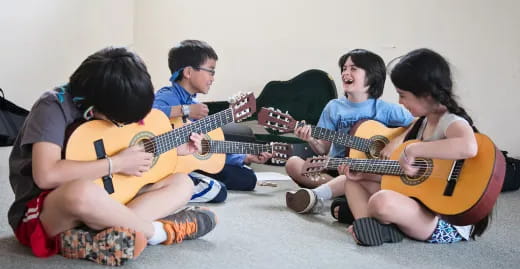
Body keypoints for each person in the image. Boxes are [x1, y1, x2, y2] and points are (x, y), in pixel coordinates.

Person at [8, 47, 217, 267]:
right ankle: (159, 232)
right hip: (46, 212)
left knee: (182, 183)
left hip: (107, 198)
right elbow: (46, 175)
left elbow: (121, 144)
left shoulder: (117, 99)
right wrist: (116, 163)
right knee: (81, 192)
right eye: (120, 121)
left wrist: (173, 149)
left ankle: (99, 236)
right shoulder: (52, 106)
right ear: (95, 107)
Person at [337, 48, 488, 246]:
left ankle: (378, 224)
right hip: (416, 204)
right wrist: (365, 175)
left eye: (403, 95)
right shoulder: (422, 123)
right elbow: (405, 178)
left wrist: (414, 149)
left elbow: (469, 146)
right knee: (352, 182)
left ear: (426, 94)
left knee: (381, 202)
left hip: (443, 221)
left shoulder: (450, 120)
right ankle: (370, 226)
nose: (400, 102)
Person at [285, 49, 414, 219]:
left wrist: (395, 142)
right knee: (293, 163)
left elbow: (419, 122)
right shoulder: (334, 107)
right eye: (344, 68)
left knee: (357, 174)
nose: (346, 72)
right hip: (335, 166)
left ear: (372, 76)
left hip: (370, 171)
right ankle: (339, 190)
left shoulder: (386, 109)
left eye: (353, 69)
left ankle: (320, 194)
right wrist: (310, 138)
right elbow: (323, 150)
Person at [153, 39, 272, 202]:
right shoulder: (168, 95)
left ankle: (197, 179)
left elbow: (209, 147)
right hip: (166, 167)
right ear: (188, 72)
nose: (213, 78)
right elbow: (147, 115)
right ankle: (177, 190)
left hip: (191, 163)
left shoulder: (198, 106)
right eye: (211, 71)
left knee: (248, 178)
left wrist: (246, 158)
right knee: (219, 190)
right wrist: (185, 110)